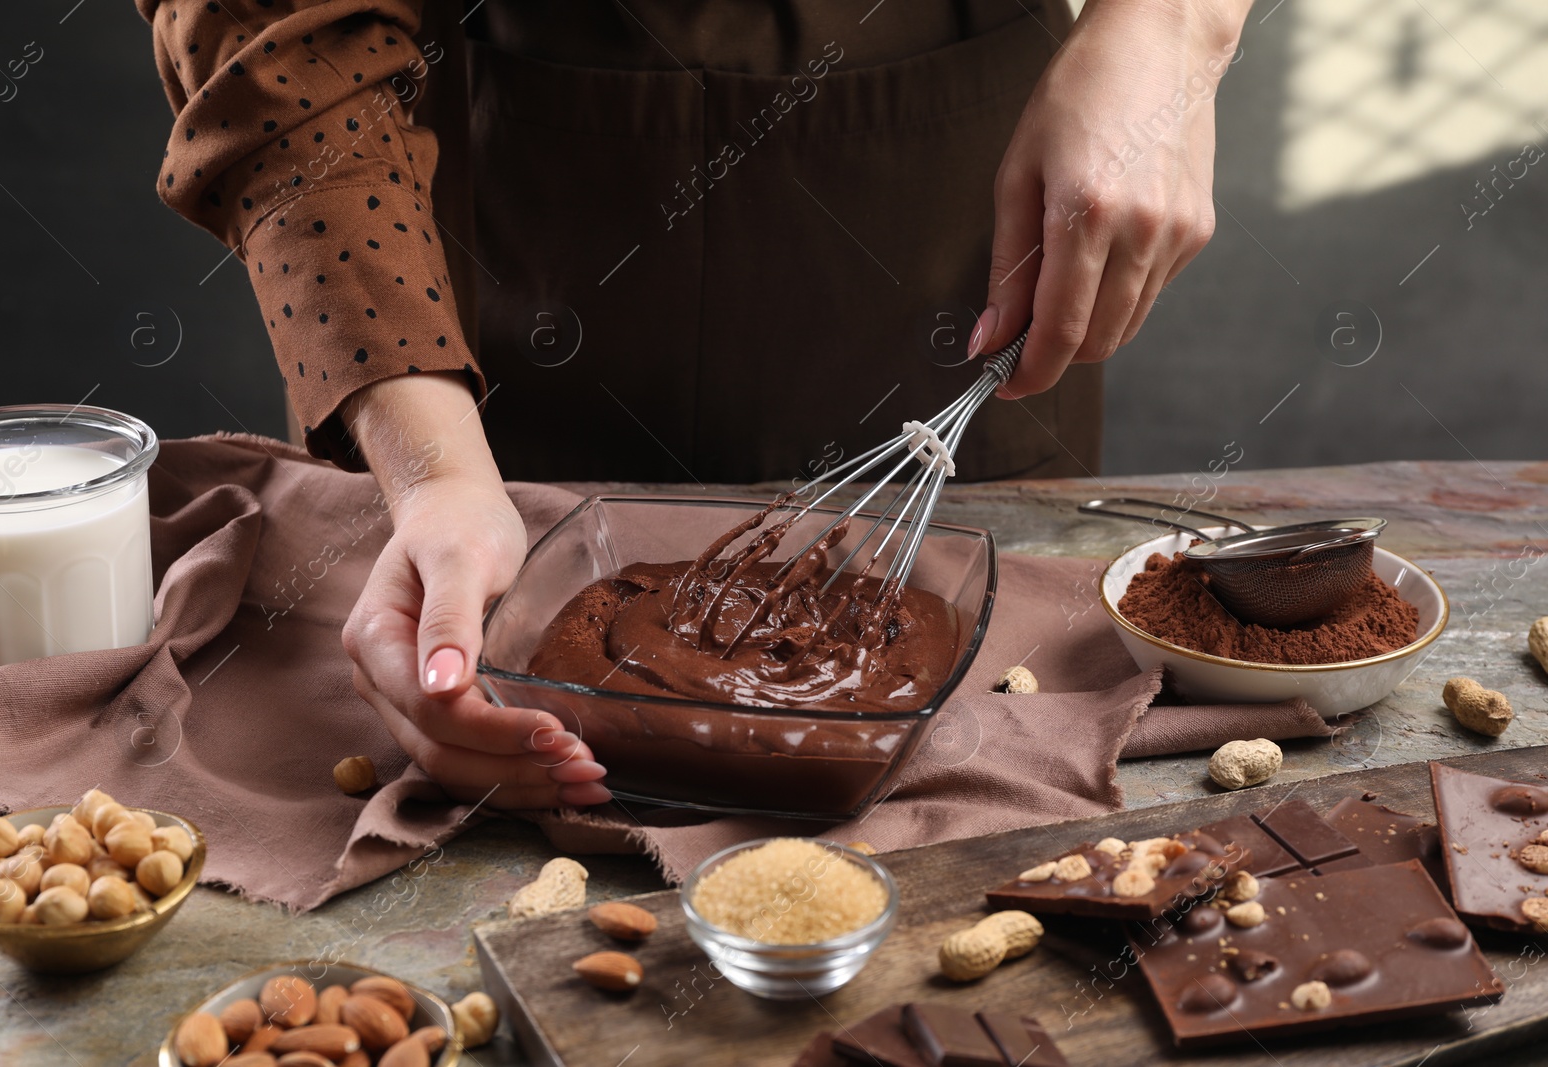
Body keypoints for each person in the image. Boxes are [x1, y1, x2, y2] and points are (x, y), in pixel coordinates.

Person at [139, 0, 1249, 810]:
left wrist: (1169, 26)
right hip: (495, 232)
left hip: (949, 186)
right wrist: (433, 473)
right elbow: (272, 38)